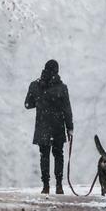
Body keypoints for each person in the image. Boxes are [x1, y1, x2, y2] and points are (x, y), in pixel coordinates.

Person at [24, 59, 74, 194]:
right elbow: (67, 110)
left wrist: (40, 101)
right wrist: (70, 127)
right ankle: (59, 185)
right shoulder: (62, 88)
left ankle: (45, 186)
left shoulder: (35, 85)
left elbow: (27, 105)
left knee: (44, 156)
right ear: (57, 71)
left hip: (42, 126)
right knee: (59, 155)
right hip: (57, 127)